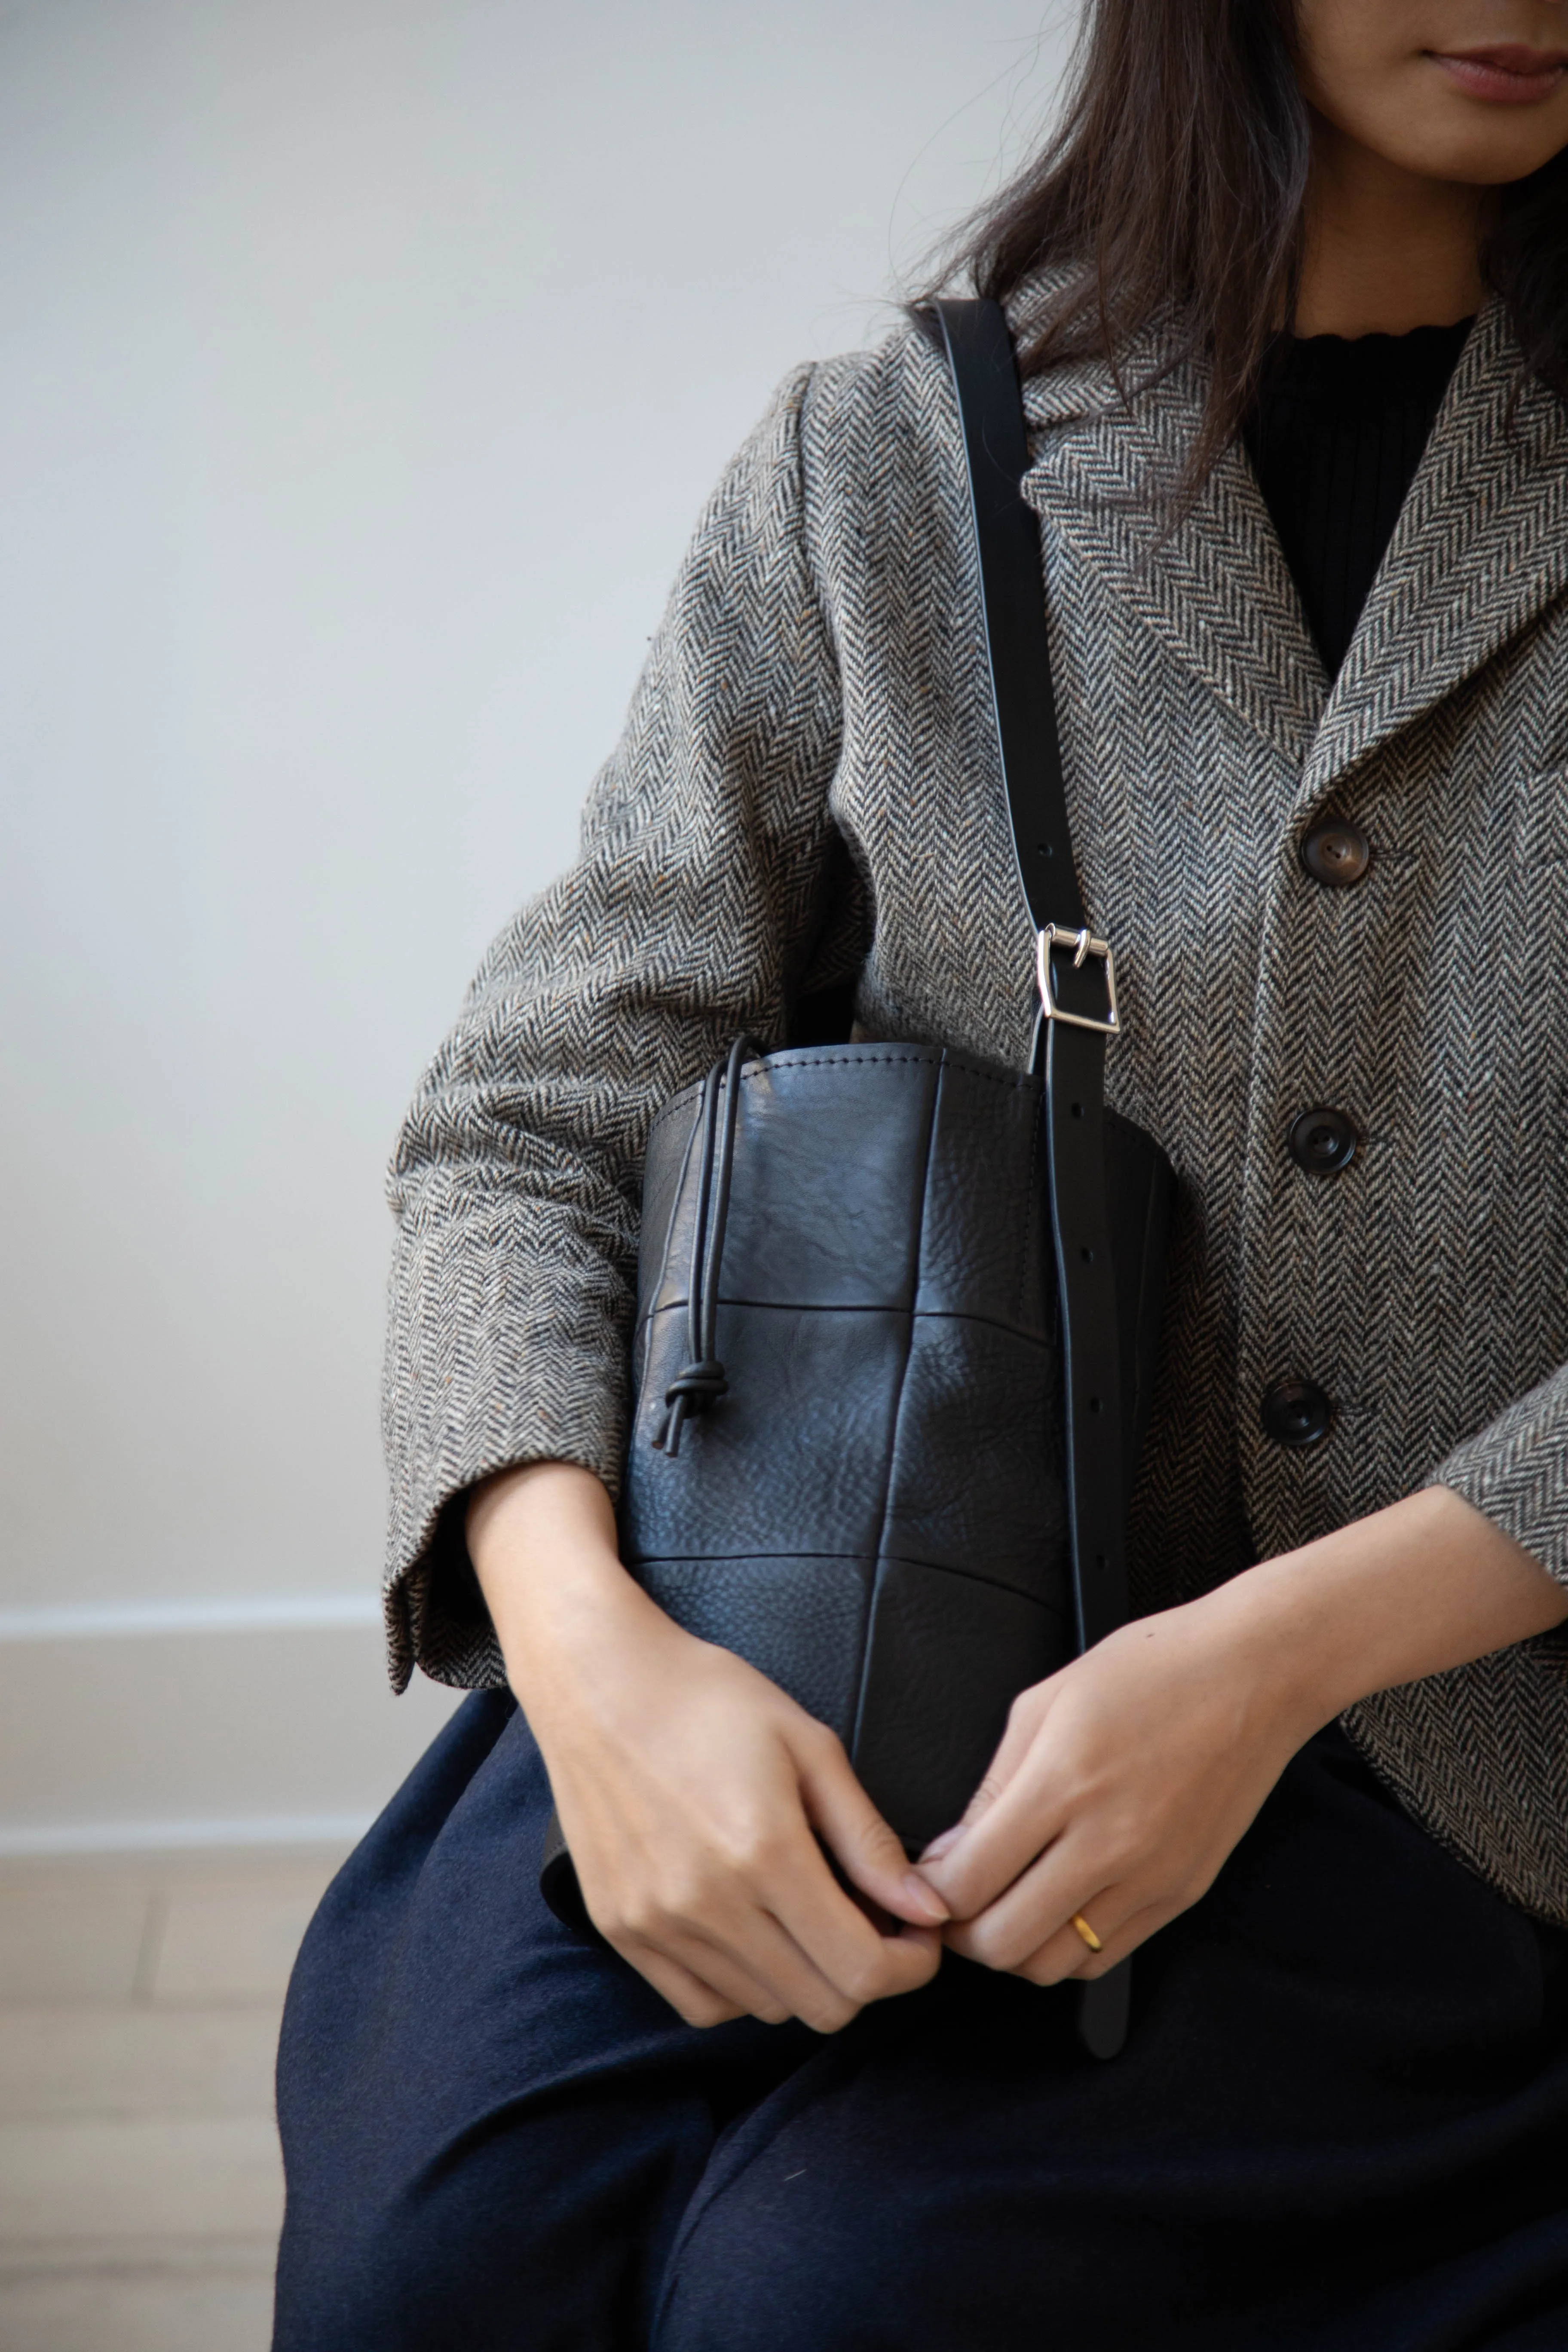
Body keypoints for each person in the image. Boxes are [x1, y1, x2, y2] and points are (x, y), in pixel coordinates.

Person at [272, 5, 1568, 2346]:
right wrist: (587, 1664)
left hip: (1458, 1748)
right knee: (438, 2274)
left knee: (837, 2298)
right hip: (806, 1613)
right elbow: (534, 1112)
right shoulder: (880, 466)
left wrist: (1272, 1663)